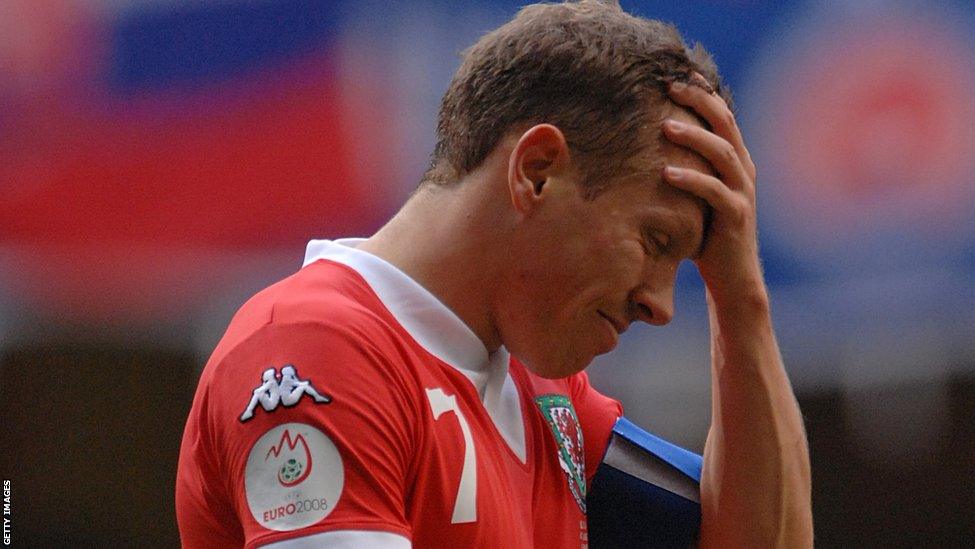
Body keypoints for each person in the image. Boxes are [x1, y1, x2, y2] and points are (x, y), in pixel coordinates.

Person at [176, 1, 813, 547]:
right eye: (655, 240)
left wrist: (740, 296)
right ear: (537, 170)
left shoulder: (543, 392)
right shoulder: (317, 350)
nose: (661, 305)